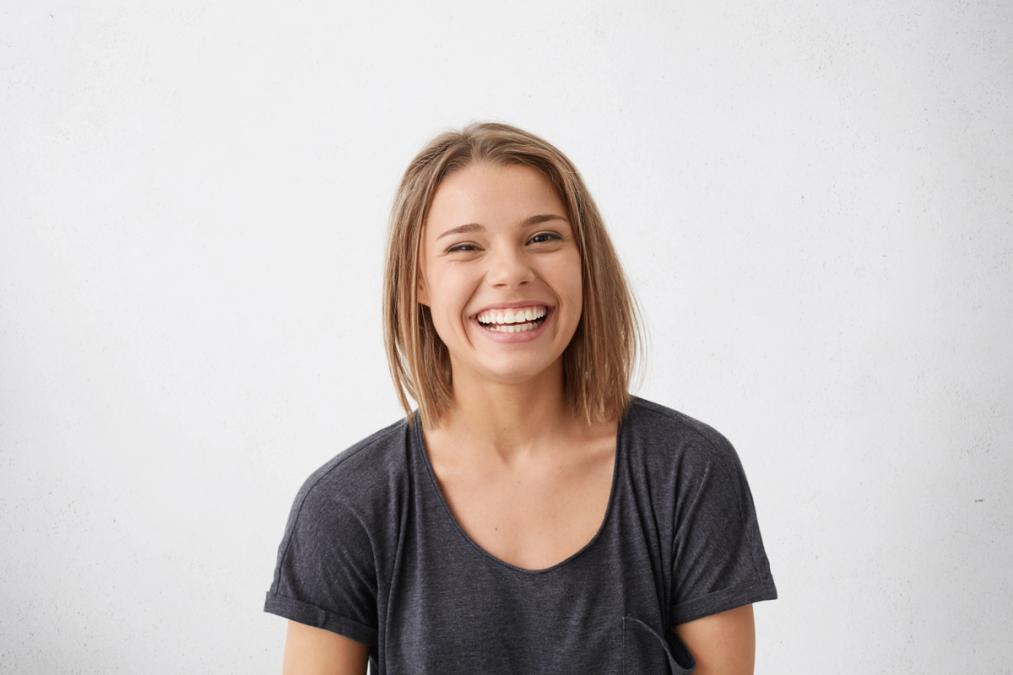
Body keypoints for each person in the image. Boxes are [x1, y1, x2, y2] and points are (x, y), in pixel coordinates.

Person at [263, 121, 778, 674]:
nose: (510, 272)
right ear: (418, 283)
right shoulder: (346, 506)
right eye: (464, 246)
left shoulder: (687, 470)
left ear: (587, 261)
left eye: (543, 238)